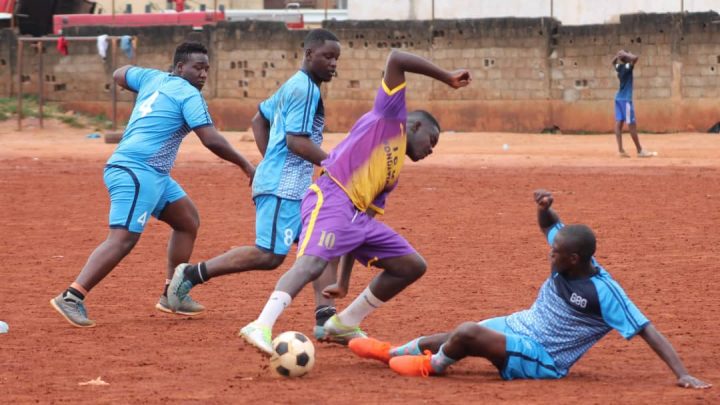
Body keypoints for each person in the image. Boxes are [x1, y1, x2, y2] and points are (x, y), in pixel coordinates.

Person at [348, 190, 711, 390]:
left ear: (573, 258)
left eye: (555, 254)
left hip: (544, 356)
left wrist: (681, 373)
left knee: (467, 333)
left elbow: (647, 329)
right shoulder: (567, 250)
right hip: (522, 324)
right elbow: (549, 226)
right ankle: (392, 351)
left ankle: (434, 367)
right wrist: (544, 209)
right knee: (448, 332)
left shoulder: (604, 292)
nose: (549, 254)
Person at [239, 49, 471, 355]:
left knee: (411, 265)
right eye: (432, 140)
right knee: (312, 263)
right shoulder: (391, 117)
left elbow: (360, 228)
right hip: (332, 196)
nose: (431, 149)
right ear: (416, 126)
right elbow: (396, 58)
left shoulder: (391, 175)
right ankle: (261, 324)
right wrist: (447, 77)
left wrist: (344, 282)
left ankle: (344, 322)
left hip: (355, 218)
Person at [50, 42, 255, 328]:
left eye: (207, 68)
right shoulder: (189, 95)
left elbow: (120, 73)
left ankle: (172, 294)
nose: (203, 74)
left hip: (153, 173)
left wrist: (150, 86)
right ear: (180, 67)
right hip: (136, 169)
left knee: (187, 220)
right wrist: (246, 165)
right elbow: (210, 139)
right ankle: (72, 296)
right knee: (123, 239)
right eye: (197, 67)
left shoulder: (152, 78)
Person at [166, 29, 342, 338]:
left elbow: (259, 118)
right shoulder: (304, 90)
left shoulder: (295, 85)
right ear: (309, 53)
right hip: (282, 188)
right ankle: (191, 274)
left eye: (336, 59)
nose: (333, 64)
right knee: (269, 255)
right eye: (327, 57)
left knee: (322, 242)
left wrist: (267, 162)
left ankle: (325, 318)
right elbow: (296, 142)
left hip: (291, 184)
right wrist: (336, 166)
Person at [612, 49, 655, 158]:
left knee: (619, 124)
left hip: (618, 99)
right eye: (628, 53)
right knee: (632, 125)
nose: (631, 54)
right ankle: (640, 151)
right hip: (626, 100)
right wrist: (625, 54)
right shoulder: (627, 67)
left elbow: (613, 63)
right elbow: (635, 58)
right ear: (626, 58)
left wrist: (618, 55)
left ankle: (621, 150)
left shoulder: (619, 67)